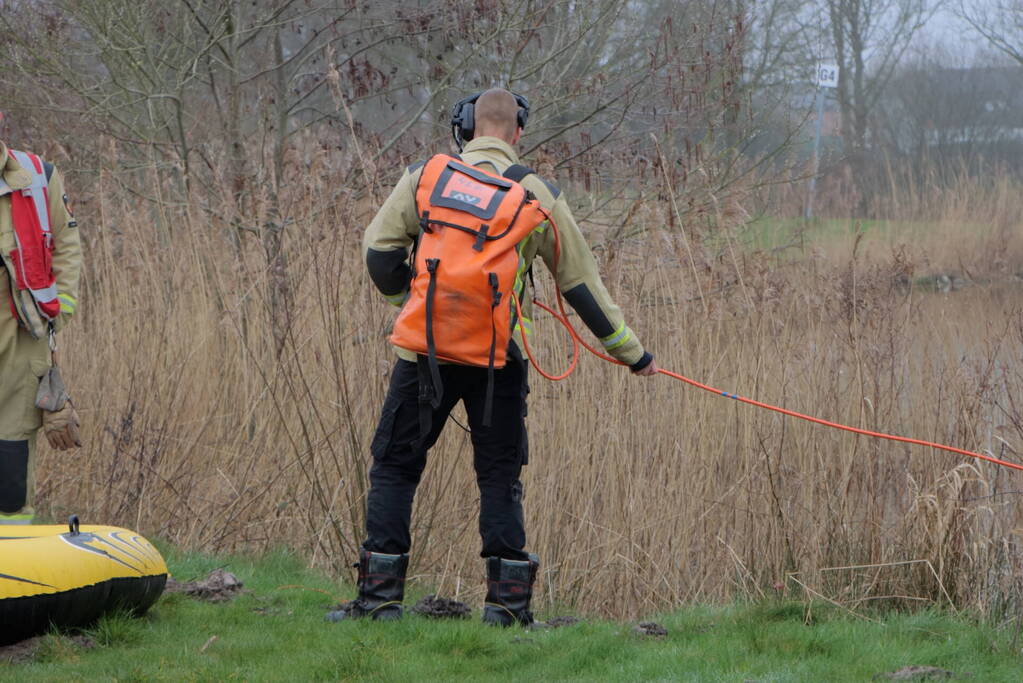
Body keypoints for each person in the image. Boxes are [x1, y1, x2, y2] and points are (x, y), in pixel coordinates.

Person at [333, 88, 656, 626]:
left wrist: (411, 302)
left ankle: (379, 603)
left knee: (395, 467)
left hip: (423, 355)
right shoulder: (537, 193)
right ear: (518, 133)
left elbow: (379, 252)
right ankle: (506, 611)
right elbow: (580, 286)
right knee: (499, 477)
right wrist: (633, 354)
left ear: (465, 127)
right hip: (500, 360)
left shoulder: (425, 176)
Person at [0, 120, 82, 525]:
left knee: (11, 452)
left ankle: (11, 547)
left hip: (22, 330)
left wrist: (59, 312)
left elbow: (66, 246)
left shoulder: (38, 175)